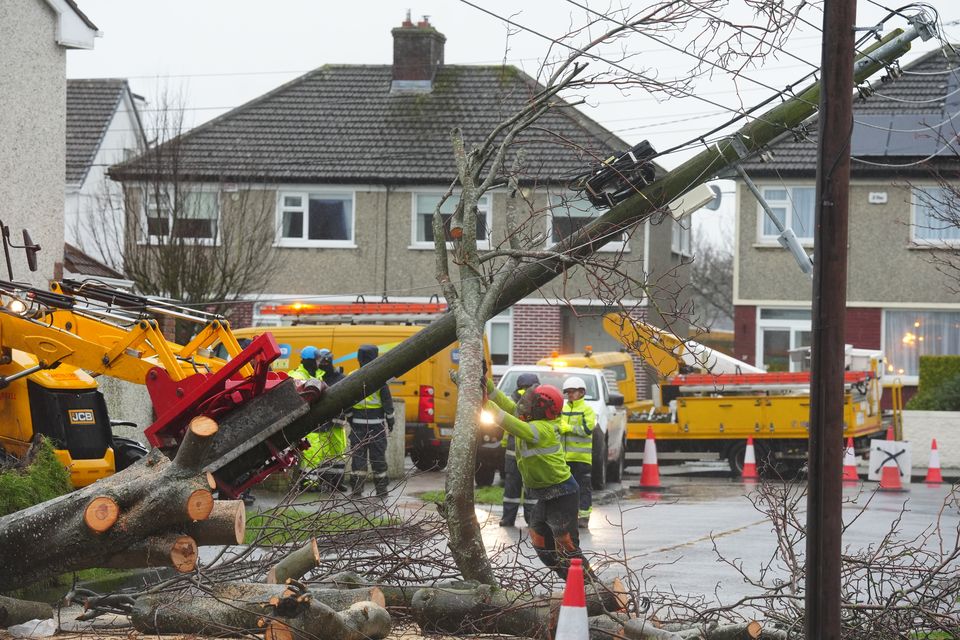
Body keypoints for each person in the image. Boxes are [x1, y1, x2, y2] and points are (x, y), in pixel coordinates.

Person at [484, 378, 593, 580]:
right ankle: (572, 583)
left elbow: (508, 421)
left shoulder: (541, 429)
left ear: (542, 408)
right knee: (540, 541)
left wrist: (484, 405)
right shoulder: (532, 419)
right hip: (546, 493)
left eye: (530, 402)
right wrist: (488, 388)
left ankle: (589, 585)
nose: (524, 405)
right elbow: (509, 407)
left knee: (566, 545)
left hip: (563, 492)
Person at [346, 344, 395, 498]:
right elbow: (387, 403)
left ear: (359, 358)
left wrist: (350, 418)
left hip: (358, 425)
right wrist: (391, 421)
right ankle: (381, 490)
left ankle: (357, 489)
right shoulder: (380, 377)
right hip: (377, 426)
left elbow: (345, 401)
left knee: (358, 458)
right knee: (378, 458)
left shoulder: (352, 376)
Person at [499, 372, 540, 527]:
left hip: (531, 455)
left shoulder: (540, 404)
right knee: (511, 488)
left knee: (531, 489)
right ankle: (508, 518)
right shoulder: (514, 404)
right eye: (525, 389)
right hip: (514, 454)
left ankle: (533, 520)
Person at [560, 376, 597, 529]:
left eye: (572, 392)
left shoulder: (587, 410)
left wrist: (569, 428)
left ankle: (584, 518)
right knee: (567, 490)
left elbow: (588, 429)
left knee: (583, 489)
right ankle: (569, 517)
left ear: (581, 392)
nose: (569, 395)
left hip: (582, 459)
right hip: (565, 458)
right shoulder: (564, 409)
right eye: (567, 392)